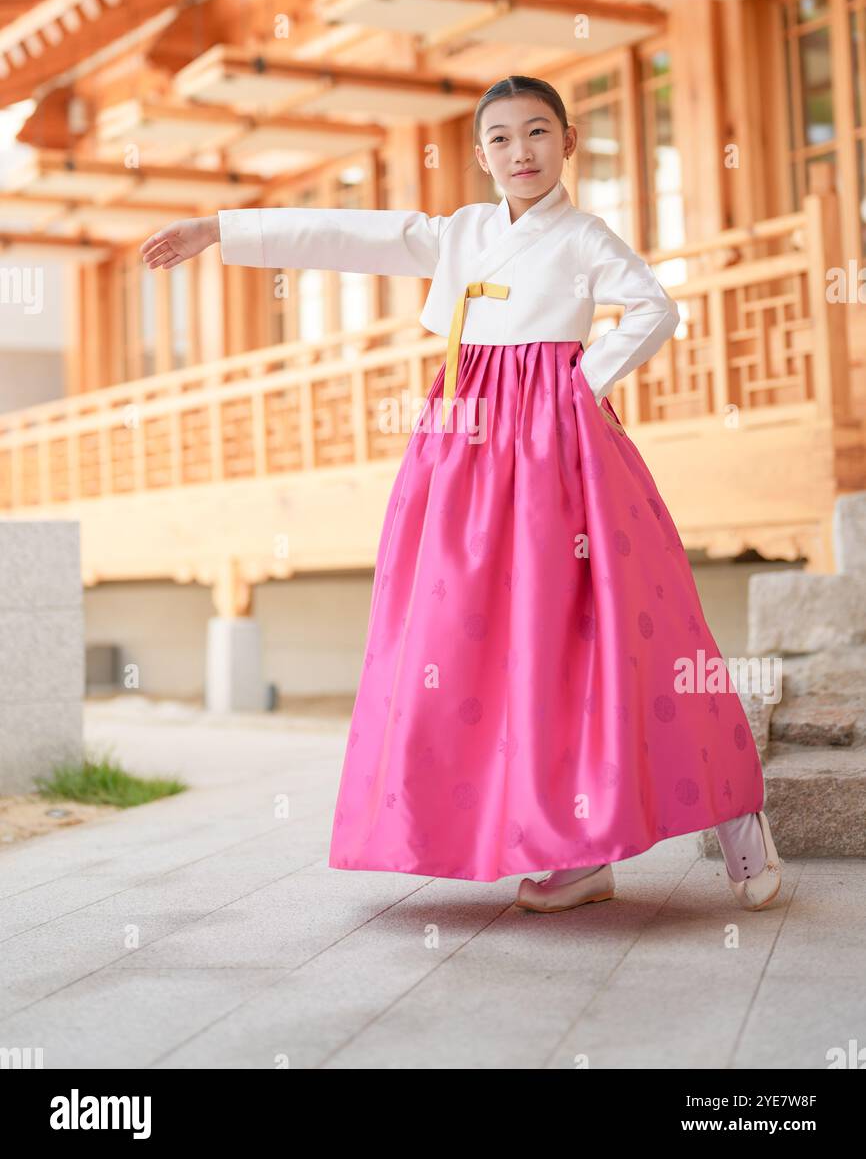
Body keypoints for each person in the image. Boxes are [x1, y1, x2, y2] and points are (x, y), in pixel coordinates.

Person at [140, 73, 782, 915]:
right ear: (481, 156)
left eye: (539, 132)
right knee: (474, 637)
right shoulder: (461, 234)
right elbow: (348, 234)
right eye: (504, 138)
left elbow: (653, 308)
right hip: (465, 453)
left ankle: (739, 818)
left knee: (622, 626)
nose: (523, 151)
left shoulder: (585, 238)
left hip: (561, 453)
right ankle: (576, 855)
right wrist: (217, 230)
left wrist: (579, 384)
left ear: (568, 143)